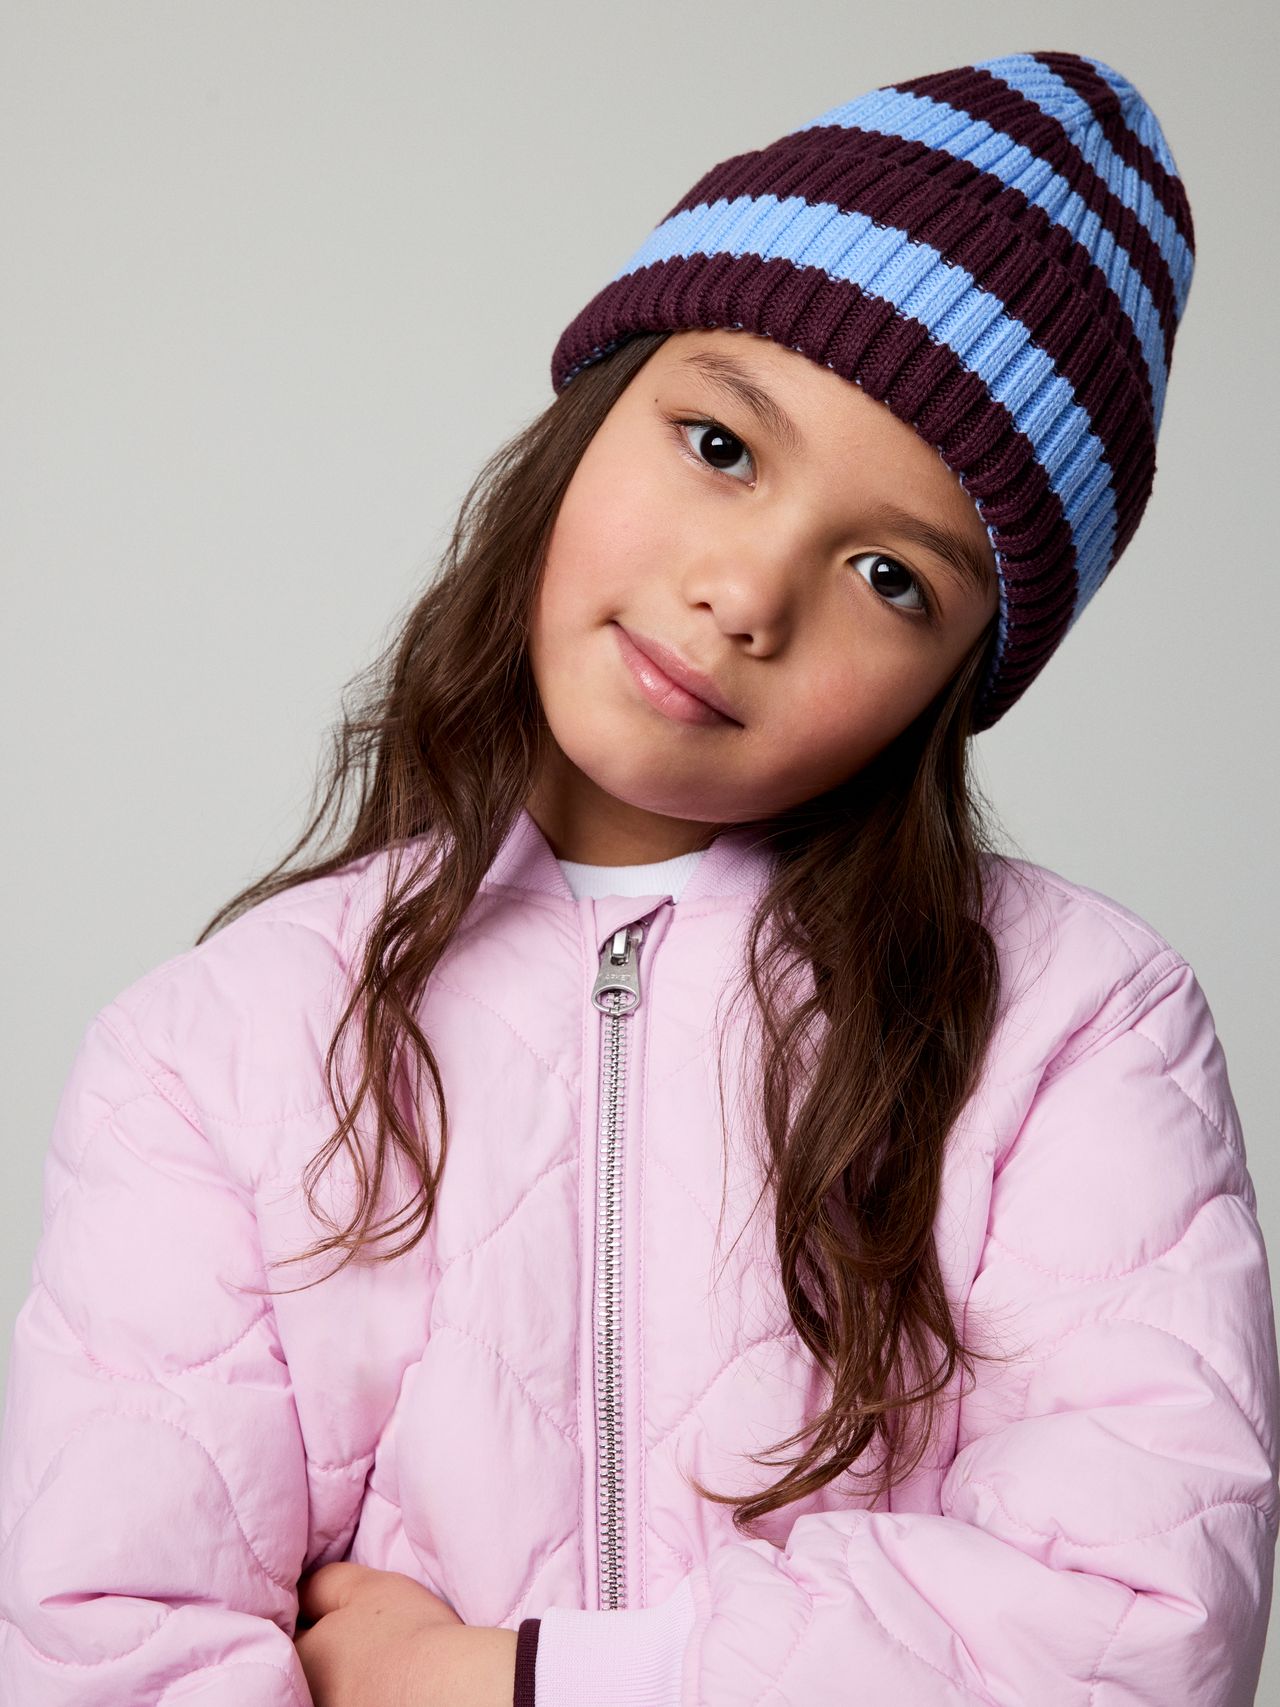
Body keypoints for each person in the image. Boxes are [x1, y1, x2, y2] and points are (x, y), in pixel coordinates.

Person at [1, 44, 1276, 1707]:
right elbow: (105, 1645)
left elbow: (1131, 1631)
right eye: (722, 445)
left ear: (963, 672)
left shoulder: (1075, 1031)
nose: (750, 592)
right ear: (593, 414)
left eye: (891, 575)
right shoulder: (210, 1053)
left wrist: (502, 1683)